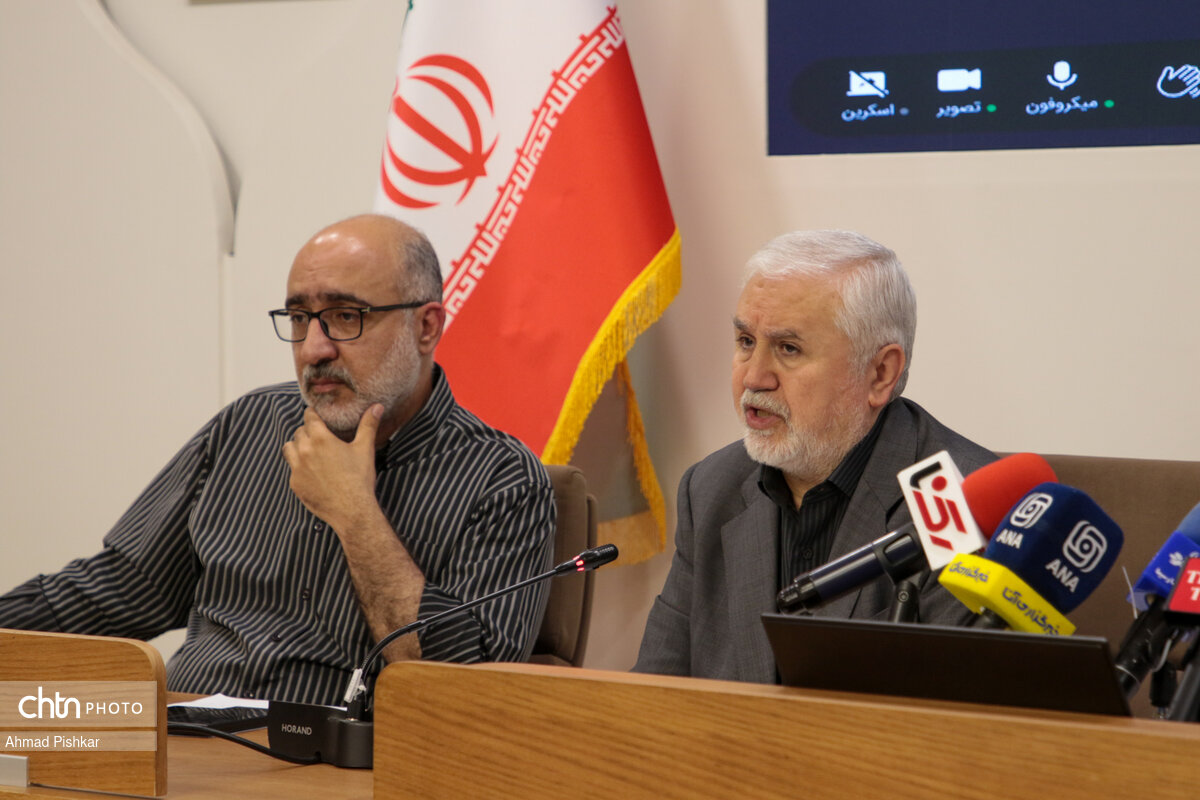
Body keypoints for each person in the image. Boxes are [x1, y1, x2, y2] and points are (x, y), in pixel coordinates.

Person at [0, 214, 555, 704]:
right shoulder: (249, 424)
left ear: (426, 326)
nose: (313, 349)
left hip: (335, 763)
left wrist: (355, 514)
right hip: (185, 740)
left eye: (345, 316)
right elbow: (120, 590)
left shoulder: (503, 479)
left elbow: (465, 691)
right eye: (298, 318)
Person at [634, 230, 994, 682]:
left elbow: (950, 710)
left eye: (788, 349)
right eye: (745, 341)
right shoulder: (710, 489)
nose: (754, 378)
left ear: (880, 373)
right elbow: (653, 691)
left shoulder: (963, 504)